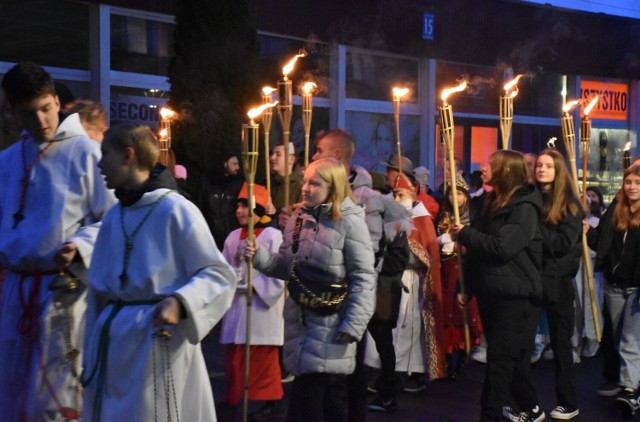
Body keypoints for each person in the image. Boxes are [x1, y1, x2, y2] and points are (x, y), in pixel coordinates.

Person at [81, 123, 236, 421]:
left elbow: (218, 274)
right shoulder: (115, 215)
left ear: (128, 155)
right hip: (113, 347)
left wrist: (180, 302)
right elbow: (99, 292)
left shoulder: (176, 209)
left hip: (156, 343)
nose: (99, 164)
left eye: (105, 154)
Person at [0, 62, 117, 420]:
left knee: (57, 398)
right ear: (12, 111)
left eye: (46, 109)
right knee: (13, 387)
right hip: (16, 291)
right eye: (28, 113)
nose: (40, 121)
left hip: (63, 292)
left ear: (56, 100)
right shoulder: (6, 160)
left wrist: (81, 246)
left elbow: (113, 218)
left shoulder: (85, 152)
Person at [245, 158, 377, 422]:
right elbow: (286, 267)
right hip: (299, 321)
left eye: (314, 183)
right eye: (305, 181)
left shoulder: (351, 224)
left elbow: (364, 278)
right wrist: (258, 257)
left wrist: (354, 325)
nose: (305, 188)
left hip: (331, 321)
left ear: (333, 187)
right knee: (322, 401)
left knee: (305, 398)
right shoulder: (298, 219)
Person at [311, 129, 412, 418]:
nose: (314, 156)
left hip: (366, 288)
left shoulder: (371, 200)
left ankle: (385, 394)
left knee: (371, 345)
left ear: (337, 154)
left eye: (320, 150)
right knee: (339, 360)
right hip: (333, 289)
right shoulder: (322, 192)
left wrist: (370, 275)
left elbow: (384, 247)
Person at [453, 150, 544, 422]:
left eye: (488, 166)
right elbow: (477, 251)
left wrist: (466, 233)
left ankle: (490, 415)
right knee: (509, 359)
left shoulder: (525, 207)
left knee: (500, 361)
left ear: (504, 171)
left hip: (515, 296)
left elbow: (503, 247)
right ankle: (530, 406)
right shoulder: (489, 202)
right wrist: (465, 286)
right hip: (491, 290)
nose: (482, 169)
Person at [365, 171, 446, 403]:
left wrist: (405, 246)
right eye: (394, 194)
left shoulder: (421, 218)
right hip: (387, 280)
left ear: (412, 193)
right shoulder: (391, 215)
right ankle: (383, 373)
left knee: (406, 331)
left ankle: (407, 373)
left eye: (401, 194)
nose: (396, 198)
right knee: (384, 330)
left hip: (410, 279)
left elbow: (426, 254)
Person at [220, 182, 286, 421]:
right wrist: (234, 271)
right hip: (237, 305)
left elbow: (279, 274)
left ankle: (269, 403)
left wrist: (256, 286)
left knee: (261, 362)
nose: (239, 211)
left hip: (259, 308)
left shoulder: (273, 236)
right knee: (235, 358)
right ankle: (234, 398)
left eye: (245, 206)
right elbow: (223, 270)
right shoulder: (231, 238)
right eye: (238, 205)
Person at [529, 149, 583, 420]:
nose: (541, 169)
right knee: (523, 341)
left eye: (548, 166)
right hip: (530, 278)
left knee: (561, 344)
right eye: (539, 165)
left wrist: (533, 233)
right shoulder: (530, 199)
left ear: (558, 170)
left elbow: (564, 245)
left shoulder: (570, 205)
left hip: (557, 282)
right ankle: (524, 401)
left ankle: (568, 401)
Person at [587, 163, 640, 417]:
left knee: (631, 338)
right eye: (629, 182)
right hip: (614, 285)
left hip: (637, 286)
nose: (632, 187)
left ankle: (630, 390)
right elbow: (599, 241)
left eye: (637, 183)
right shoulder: (615, 211)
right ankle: (631, 381)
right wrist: (587, 231)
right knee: (620, 336)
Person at [436, 173, 483, 379]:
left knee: (464, 308)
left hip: (465, 266)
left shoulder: (473, 215)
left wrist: (462, 244)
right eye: (451, 195)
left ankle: (464, 353)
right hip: (447, 266)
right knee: (448, 308)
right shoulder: (443, 214)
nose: (455, 199)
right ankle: (449, 354)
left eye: (459, 195)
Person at [196, 152, 244, 249]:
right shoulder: (207, 183)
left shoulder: (238, 185)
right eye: (234, 164)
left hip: (231, 236)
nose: (238, 167)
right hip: (210, 237)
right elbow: (200, 207)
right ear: (225, 163)